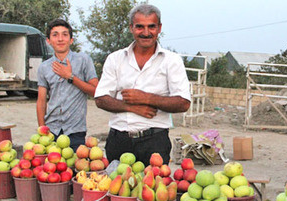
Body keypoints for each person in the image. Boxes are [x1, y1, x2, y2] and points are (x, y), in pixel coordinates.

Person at [94, 4, 191, 166]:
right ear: (131, 27)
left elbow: (183, 103)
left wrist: (146, 97)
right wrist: (131, 107)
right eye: (140, 27)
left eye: (151, 26)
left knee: (154, 189)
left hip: (154, 142)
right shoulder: (115, 59)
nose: (146, 33)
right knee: (116, 189)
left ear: (159, 28)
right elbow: (101, 99)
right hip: (119, 140)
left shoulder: (171, 61)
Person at [37, 19, 98, 151]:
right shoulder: (44, 67)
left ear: (71, 40)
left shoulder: (83, 60)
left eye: (65, 35)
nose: (60, 39)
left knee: (76, 169)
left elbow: (96, 91)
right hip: (51, 129)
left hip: (75, 130)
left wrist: (70, 77)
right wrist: (42, 130)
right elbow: (41, 101)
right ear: (48, 41)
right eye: (55, 35)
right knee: (50, 169)